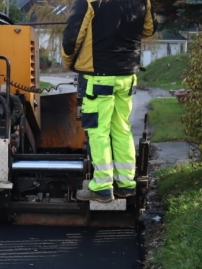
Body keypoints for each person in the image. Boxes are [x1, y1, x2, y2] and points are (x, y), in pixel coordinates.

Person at [62, 0, 157, 203]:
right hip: (127, 76)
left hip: (99, 76)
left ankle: (102, 187)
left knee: (98, 130)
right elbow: (149, 29)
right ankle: (126, 183)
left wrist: (69, 62)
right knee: (121, 127)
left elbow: (72, 38)